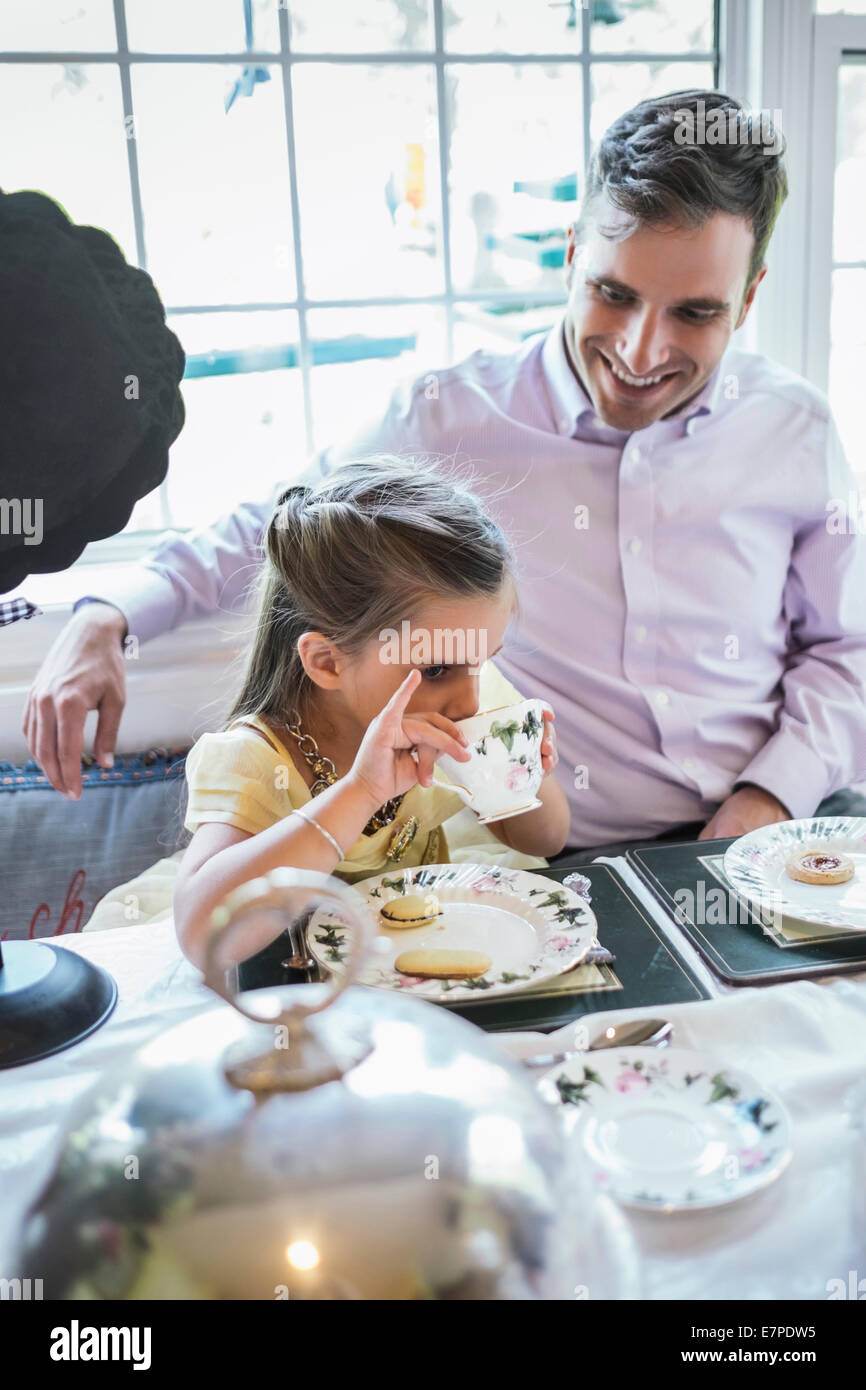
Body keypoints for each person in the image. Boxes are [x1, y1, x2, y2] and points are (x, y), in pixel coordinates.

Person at [25, 90, 866, 859]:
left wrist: (767, 797)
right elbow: (285, 521)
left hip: (780, 833)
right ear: (572, 256)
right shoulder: (445, 415)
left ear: (748, 300)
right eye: (613, 294)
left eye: (695, 312)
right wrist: (108, 614)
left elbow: (846, 650)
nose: (642, 352)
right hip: (558, 858)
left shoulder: (795, 429)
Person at [169, 459, 567, 965]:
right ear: (328, 662)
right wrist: (362, 791)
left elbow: (547, 839)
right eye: (439, 669)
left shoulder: (468, 697)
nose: (470, 701)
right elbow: (208, 937)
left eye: (484, 660)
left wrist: (522, 777)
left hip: (425, 972)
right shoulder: (256, 760)